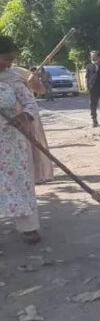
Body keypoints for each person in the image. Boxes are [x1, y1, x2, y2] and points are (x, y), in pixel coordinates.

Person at [0, 36, 43, 244]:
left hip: (12, 145)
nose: (10, 63)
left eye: (11, 59)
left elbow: (30, 103)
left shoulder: (13, 79)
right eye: (6, 58)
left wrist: (24, 116)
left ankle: (29, 228)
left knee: (20, 184)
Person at [19, 66, 53, 184]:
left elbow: (41, 90)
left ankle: (36, 175)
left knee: (32, 146)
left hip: (26, 116)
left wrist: (33, 81)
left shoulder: (20, 73)